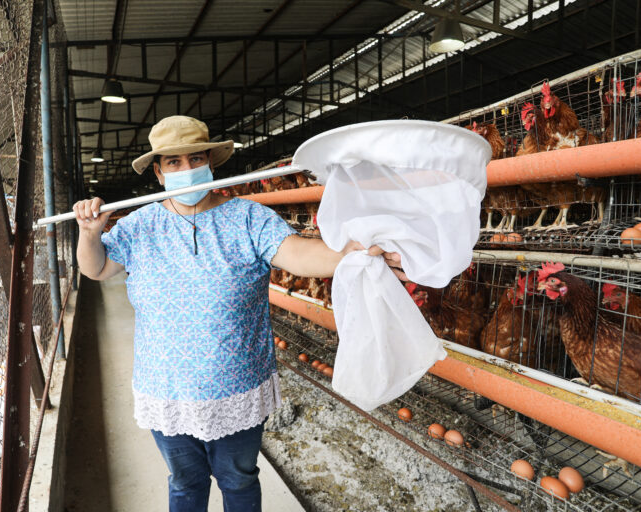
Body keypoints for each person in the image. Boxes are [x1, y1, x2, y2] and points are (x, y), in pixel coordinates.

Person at [73, 115, 405, 512]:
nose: (187, 169)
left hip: (237, 388)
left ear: (211, 163)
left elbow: (297, 255)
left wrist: (348, 253)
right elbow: (96, 268)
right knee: (185, 482)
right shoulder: (140, 226)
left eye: (196, 159)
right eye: (174, 162)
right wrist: (89, 234)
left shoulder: (248, 218)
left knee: (239, 478)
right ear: (159, 173)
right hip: (167, 389)